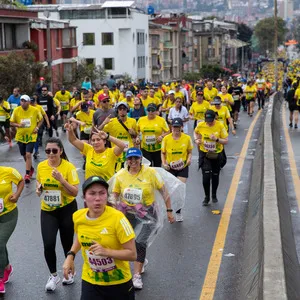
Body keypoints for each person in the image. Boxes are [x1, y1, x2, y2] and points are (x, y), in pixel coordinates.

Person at [62, 176, 136, 300]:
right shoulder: (78, 217)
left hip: (118, 283)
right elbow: (80, 238)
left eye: (102, 193)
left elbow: (132, 254)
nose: (97, 199)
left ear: (107, 196)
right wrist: (70, 255)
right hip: (91, 281)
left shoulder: (118, 219)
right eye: (92, 194)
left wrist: (106, 252)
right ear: (84, 197)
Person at [112, 148, 175, 289]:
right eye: (130, 159)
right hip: (128, 213)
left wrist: (169, 210)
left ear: (141, 159)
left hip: (148, 213)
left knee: (140, 242)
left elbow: (164, 191)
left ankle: (136, 276)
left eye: (136, 158)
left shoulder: (151, 173)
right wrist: (113, 208)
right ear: (126, 160)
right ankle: (141, 259)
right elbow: (115, 194)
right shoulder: (121, 175)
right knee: (125, 241)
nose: (133, 161)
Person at [36, 138, 79, 292]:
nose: (51, 154)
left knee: (67, 245)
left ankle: (70, 272)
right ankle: (54, 275)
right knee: (48, 244)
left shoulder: (68, 167)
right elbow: (39, 184)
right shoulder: (41, 166)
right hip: (48, 210)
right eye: (48, 151)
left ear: (61, 151)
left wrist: (61, 180)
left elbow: (74, 192)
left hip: (67, 209)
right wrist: (38, 189)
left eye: (54, 150)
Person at [194, 110, 228, 206]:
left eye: (211, 120)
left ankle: (214, 195)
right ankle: (206, 196)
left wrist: (216, 139)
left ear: (214, 118)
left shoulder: (220, 125)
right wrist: (197, 139)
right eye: (207, 120)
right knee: (206, 177)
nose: (209, 122)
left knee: (215, 175)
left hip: (217, 154)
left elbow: (225, 141)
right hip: (204, 153)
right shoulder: (201, 125)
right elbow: (195, 132)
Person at [161, 118, 193, 222]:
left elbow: (190, 152)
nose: (176, 129)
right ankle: (170, 210)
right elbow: (163, 153)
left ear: (181, 127)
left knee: (179, 188)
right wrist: (164, 163)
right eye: (174, 127)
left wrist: (188, 160)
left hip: (182, 167)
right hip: (170, 167)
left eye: (178, 127)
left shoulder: (187, 138)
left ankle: (178, 212)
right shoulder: (166, 139)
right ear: (171, 128)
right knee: (170, 191)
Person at [0, 166, 24, 294]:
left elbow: (20, 181)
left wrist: (17, 195)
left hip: (8, 215)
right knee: (1, 244)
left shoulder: (8, 171)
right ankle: (7, 268)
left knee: (0, 242)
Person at [10, 95, 43, 183]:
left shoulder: (35, 110)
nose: (23, 103)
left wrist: (37, 128)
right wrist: (18, 125)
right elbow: (11, 122)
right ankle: (30, 168)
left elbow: (41, 119)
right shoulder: (16, 110)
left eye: (25, 101)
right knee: (24, 155)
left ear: (28, 102)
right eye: (21, 101)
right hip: (20, 137)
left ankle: (27, 174)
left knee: (28, 154)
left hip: (31, 136)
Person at [30, 94, 51, 159]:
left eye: (32, 102)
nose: (31, 103)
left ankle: (36, 151)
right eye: (30, 102)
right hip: (31, 125)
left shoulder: (39, 107)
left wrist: (48, 123)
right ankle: (35, 150)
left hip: (39, 124)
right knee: (33, 139)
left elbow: (45, 115)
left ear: (35, 101)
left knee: (37, 137)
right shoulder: (28, 108)